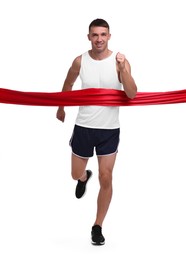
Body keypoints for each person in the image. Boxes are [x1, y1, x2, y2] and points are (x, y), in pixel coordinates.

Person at [56, 18, 137, 245]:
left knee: (107, 176)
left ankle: (97, 226)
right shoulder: (80, 61)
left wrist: (123, 70)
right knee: (74, 174)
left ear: (109, 36)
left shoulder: (120, 61)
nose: (99, 39)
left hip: (109, 130)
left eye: (103, 34)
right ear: (89, 37)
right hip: (84, 127)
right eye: (95, 35)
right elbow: (68, 84)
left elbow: (131, 93)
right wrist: (61, 107)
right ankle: (84, 177)